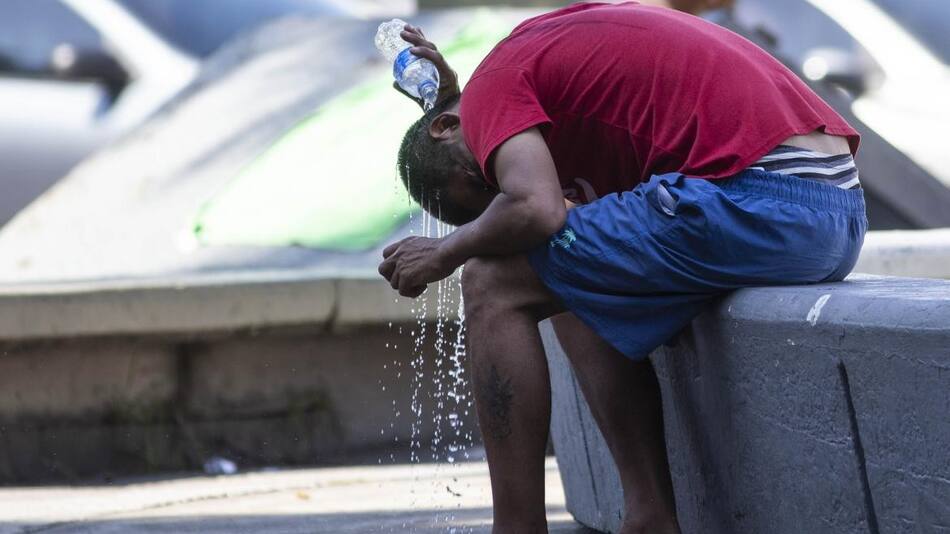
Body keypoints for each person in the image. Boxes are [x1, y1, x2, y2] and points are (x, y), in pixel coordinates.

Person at [377, 2, 867, 533]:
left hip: (766, 197)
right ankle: (649, 514)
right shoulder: (522, 86)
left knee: (494, 279)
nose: (501, 186)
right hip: (829, 208)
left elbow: (533, 209)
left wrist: (448, 252)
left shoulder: (494, 85)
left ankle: (516, 527)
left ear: (447, 125)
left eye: (487, 180)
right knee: (566, 267)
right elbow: (547, 216)